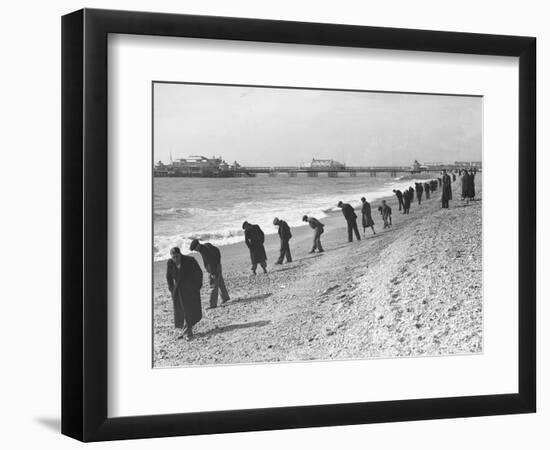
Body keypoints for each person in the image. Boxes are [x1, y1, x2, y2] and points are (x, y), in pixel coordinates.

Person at [166, 247, 203, 340]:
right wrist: (172, 289)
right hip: (178, 291)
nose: (176, 259)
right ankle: (185, 330)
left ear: (180, 254)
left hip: (190, 290)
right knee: (181, 311)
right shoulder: (170, 263)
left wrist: (197, 286)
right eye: (173, 257)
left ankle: (188, 332)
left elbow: (199, 273)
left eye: (177, 256)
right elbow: (169, 278)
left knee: (189, 310)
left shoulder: (190, 260)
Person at [189, 239, 229, 309]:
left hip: (213, 269)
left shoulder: (204, 251)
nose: (196, 251)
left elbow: (210, 262)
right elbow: (217, 251)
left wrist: (213, 273)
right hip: (218, 266)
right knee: (220, 282)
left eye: (195, 249)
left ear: (197, 246)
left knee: (213, 285)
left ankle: (212, 304)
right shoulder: (207, 245)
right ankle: (225, 297)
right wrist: (218, 262)